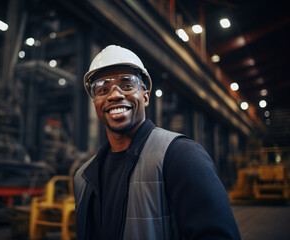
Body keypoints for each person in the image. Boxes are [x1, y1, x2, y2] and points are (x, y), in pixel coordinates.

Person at [74, 45, 241, 240]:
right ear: (95, 102)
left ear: (145, 97)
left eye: (127, 85)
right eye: (102, 89)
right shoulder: (83, 178)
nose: (115, 95)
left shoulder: (181, 156)